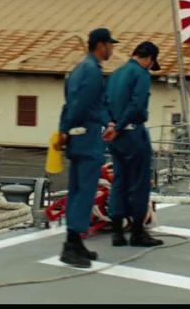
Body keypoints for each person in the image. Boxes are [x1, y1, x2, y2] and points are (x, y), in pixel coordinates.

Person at [57, 28, 117, 268]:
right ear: (101, 45)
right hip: (88, 138)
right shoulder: (93, 71)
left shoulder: (78, 69)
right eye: (110, 44)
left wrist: (64, 130)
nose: (112, 49)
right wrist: (68, 128)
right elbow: (82, 105)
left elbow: (70, 102)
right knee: (85, 191)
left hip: (77, 137)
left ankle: (74, 242)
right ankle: (71, 246)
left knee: (76, 190)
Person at [105, 41, 163, 248]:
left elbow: (103, 103)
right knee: (139, 182)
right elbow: (137, 104)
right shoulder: (141, 74)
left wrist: (111, 126)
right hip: (133, 133)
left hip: (115, 136)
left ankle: (117, 232)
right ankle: (138, 232)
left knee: (119, 181)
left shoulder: (115, 75)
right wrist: (120, 126)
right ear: (149, 59)